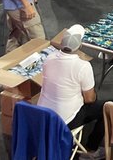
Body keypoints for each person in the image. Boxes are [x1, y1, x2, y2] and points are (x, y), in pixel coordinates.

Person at [38, 25, 104, 155]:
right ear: (79, 46)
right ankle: (92, 148)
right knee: (108, 106)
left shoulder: (49, 58)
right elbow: (90, 99)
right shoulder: (83, 66)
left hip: (43, 115)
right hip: (66, 120)